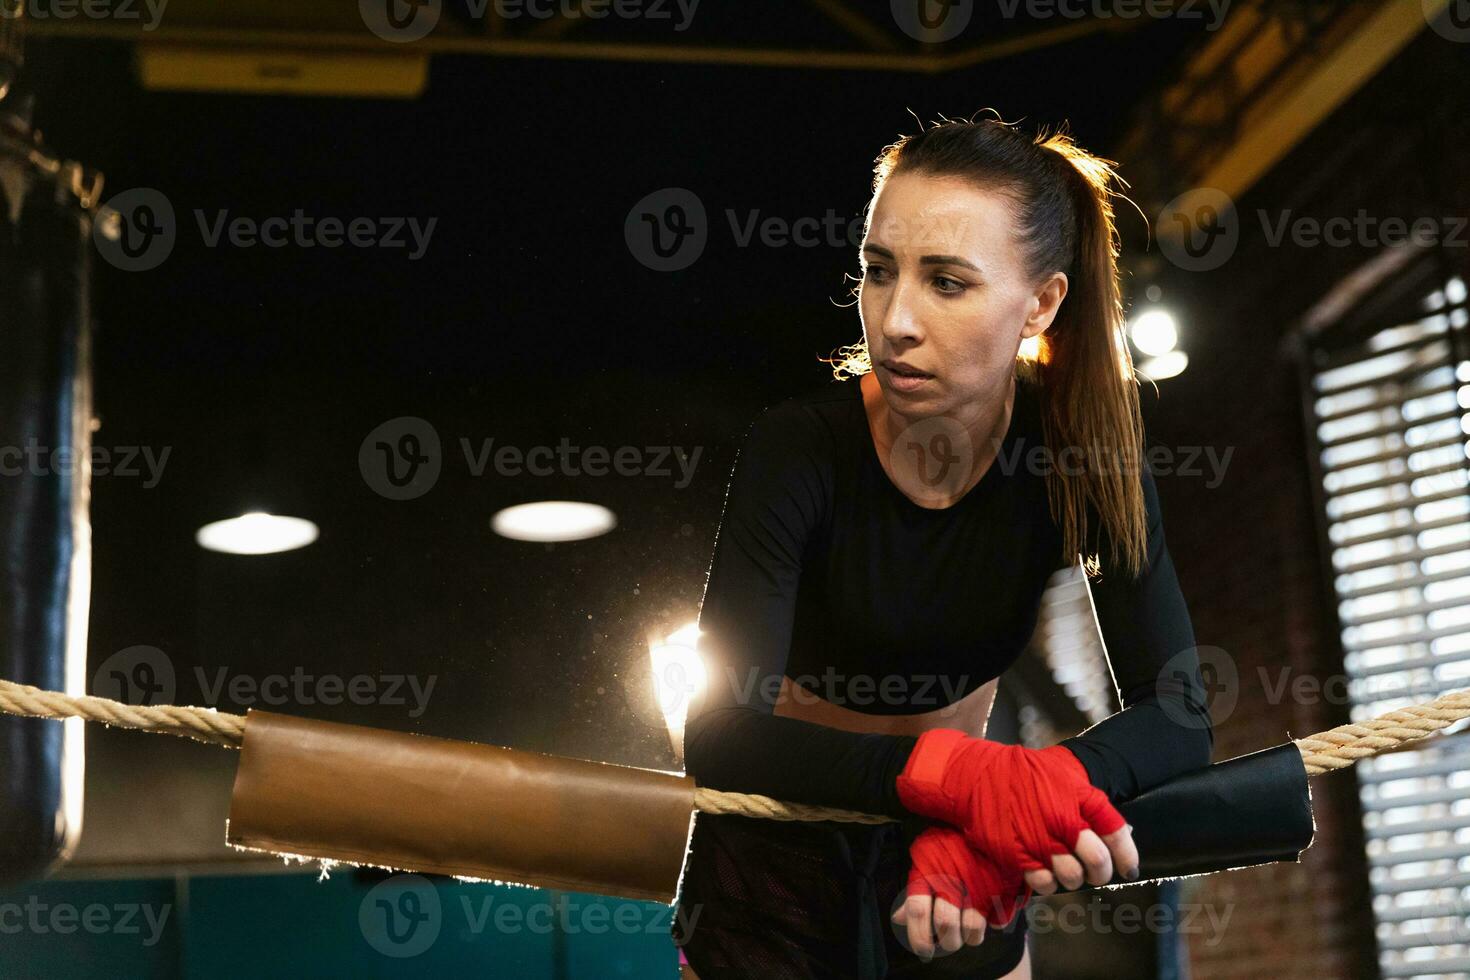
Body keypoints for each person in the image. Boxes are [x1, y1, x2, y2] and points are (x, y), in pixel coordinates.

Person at [671, 113, 1214, 979]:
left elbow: (1181, 709)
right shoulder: (798, 448)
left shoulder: (1079, 449)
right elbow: (720, 731)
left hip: (964, 848)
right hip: (779, 852)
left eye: (947, 283)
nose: (895, 321)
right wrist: (956, 775)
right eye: (878, 273)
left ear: (1040, 303)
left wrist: (1034, 790)